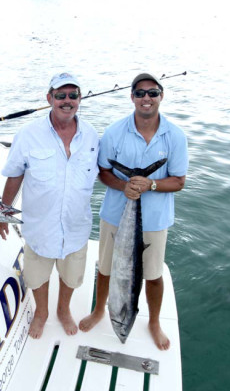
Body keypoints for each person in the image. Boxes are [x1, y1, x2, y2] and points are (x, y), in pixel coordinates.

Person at [78, 73, 188, 350]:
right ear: (132, 98)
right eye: (140, 93)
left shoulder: (175, 136)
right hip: (115, 214)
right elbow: (103, 172)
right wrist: (123, 185)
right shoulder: (115, 132)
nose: (146, 98)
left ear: (161, 96)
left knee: (152, 274)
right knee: (105, 268)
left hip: (155, 220)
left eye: (152, 92)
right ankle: (99, 310)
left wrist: (150, 184)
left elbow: (179, 181)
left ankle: (153, 322)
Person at [0, 73, 99, 339]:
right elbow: (15, 175)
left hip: (76, 228)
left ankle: (63, 310)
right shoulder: (28, 135)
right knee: (37, 276)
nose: (67, 101)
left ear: (80, 99)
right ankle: (41, 311)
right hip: (40, 228)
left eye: (73, 95)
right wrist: (3, 214)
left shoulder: (92, 136)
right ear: (49, 98)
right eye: (61, 95)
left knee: (71, 274)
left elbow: (105, 173)